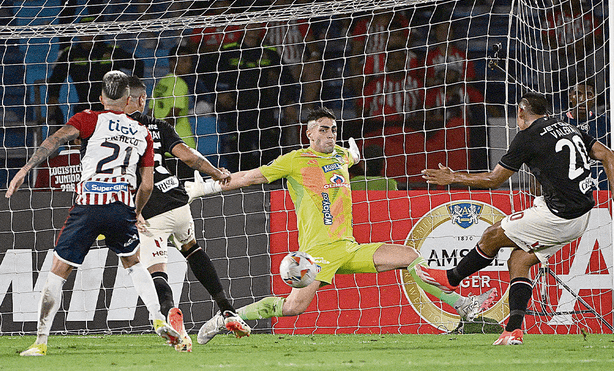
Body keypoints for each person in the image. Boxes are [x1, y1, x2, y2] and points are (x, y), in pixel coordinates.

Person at [186, 107, 497, 345]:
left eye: (333, 129)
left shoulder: (340, 156)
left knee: (410, 256)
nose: (330, 134)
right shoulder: (295, 160)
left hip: (349, 248)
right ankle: (226, 318)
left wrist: (354, 153)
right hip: (318, 254)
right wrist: (212, 186)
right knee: (293, 308)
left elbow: (350, 156)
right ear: (308, 134)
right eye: (323, 130)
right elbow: (249, 177)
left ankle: (463, 306)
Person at [420, 92, 614, 345]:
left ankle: (451, 278)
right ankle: (513, 330)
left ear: (521, 111)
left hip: (558, 215)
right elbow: (609, 155)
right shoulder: (568, 128)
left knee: (493, 234)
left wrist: (453, 178)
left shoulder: (527, 137)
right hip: (581, 214)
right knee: (519, 259)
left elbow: (494, 179)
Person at [7, 71, 181, 356]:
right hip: (122, 206)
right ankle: (157, 317)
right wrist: (135, 211)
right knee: (134, 263)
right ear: (128, 101)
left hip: (89, 204)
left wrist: (26, 169)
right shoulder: (142, 132)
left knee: (58, 270)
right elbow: (147, 184)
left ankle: (40, 342)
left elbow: (56, 140)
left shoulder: (88, 118)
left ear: (101, 98)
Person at [125, 75, 250, 352]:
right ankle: (227, 310)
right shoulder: (159, 126)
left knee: (157, 270)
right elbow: (188, 156)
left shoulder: (114, 130)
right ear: (143, 100)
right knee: (192, 249)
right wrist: (218, 173)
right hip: (177, 199)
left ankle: (171, 315)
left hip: (148, 208)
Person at [214, 23, 298, 171]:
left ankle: (271, 178)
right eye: (250, 23)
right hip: (237, 106)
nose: (253, 27)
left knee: (269, 143)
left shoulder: (270, 51)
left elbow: (288, 79)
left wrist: (289, 102)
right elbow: (216, 75)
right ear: (243, 26)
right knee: (239, 144)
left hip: (264, 105)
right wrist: (221, 92)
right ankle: (236, 180)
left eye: (257, 24)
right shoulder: (229, 50)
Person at [47, 16, 144, 131]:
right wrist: (53, 97)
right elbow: (56, 77)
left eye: (92, 31)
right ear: (78, 34)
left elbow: (138, 64)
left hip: (111, 107)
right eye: (85, 31)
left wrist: (133, 91)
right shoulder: (71, 54)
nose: (89, 35)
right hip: (84, 106)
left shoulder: (111, 51)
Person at [148, 44, 199, 179]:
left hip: (163, 147)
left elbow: (150, 113)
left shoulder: (161, 83)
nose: (188, 65)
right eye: (184, 61)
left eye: (190, 61)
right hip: (181, 144)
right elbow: (173, 115)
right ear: (173, 62)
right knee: (187, 189)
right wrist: (163, 136)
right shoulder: (180, 84)